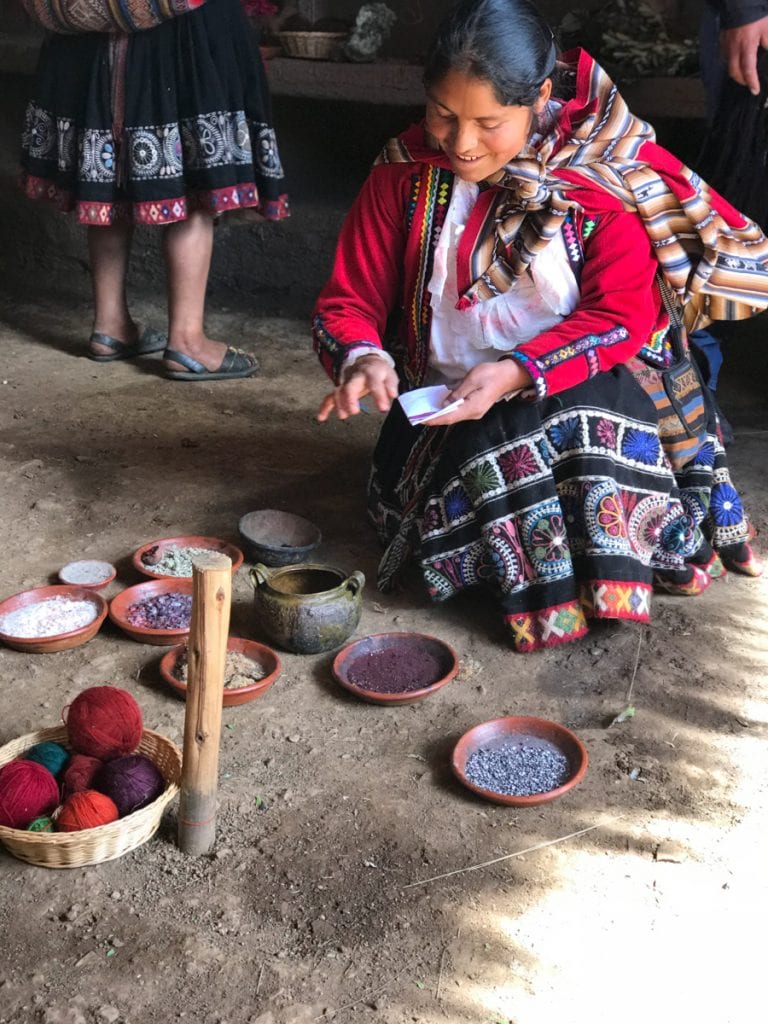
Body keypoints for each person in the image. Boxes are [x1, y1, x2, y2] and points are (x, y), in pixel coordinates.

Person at [312, 0, 763, 653]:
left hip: (591, 380)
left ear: (541, 97)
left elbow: (622, 316)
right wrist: (361, 355)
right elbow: (346, 300)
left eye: (488, 122)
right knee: (490, 446)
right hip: (451, 406)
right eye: (443, 113)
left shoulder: (600, 177)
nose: (460, 142)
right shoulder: (403, 175)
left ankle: (591, 573)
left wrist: (519, 370)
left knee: (570, 423)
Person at [20, 0, 289, 380]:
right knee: (195, 182)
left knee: (109, 175)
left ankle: (110, 324)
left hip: (90, 34)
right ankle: (187, 341)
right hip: (181, 34)